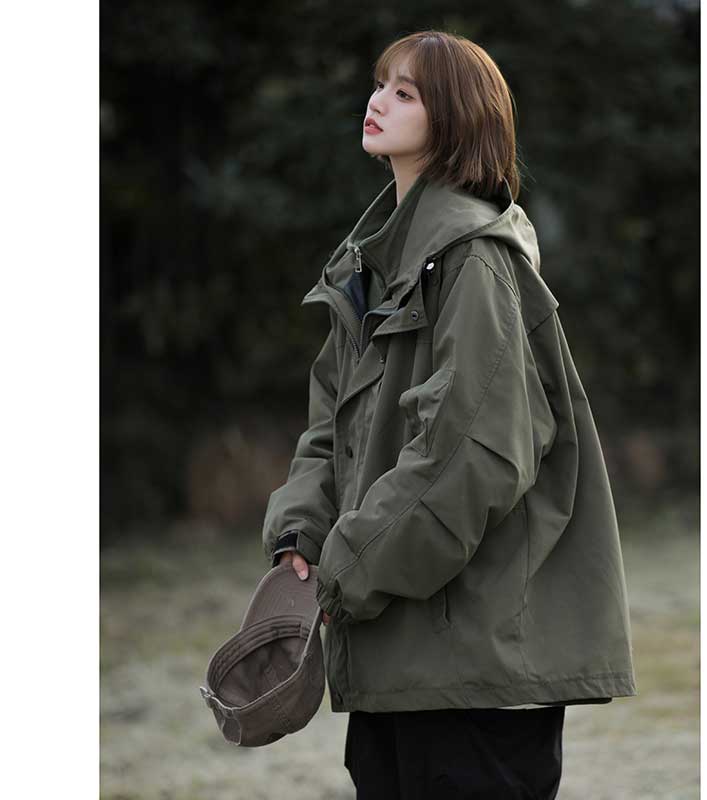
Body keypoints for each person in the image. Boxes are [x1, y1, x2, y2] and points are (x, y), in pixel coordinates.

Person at [262, 29, 637, 800]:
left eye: (406, 92)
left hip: (476, 667)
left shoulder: (475, 261)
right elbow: (329, 429)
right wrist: (301, 536)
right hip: (398, 659)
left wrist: (344, 570)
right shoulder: (367, 269)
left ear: (457, 118)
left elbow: (473, 453)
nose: (378, 101)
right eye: (381, 84)